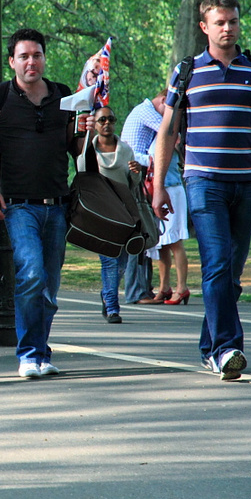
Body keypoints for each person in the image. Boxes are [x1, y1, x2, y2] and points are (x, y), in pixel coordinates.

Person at [152, 0, 251, 381]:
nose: (228, 28)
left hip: (247, 183)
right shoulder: (186, 71)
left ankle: (210, 347)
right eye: (220, 22)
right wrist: (157, 187)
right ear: (204, 26)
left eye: (233, 21)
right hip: (203, 181)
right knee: (218, 262)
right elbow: (168, 131)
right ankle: (228, 349)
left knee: (231, 275)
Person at [0, 28, 91, 379]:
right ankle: (27, 355)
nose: (31, 62)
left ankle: (40, 352)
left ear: (43, 58)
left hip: (58, 204)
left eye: (36, 55)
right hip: (17, 205)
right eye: (23, 56)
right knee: (32, 272)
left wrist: (85, 130)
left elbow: (77, 149)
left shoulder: (64, 95)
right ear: (12, 62)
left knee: (49, 287)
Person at [76, 107, 141, 324]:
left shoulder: (125, 150)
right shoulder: (87, 151)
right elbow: (82, 178)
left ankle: (106, 294)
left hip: (123, 212)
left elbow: (133, 184)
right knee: (110, 261)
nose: (107, 123)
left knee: (121, 261)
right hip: (100, 214)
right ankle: (112, 307)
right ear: (94, 124)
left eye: (111, 119)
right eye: (102, 119)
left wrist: (136, 173)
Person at [120, 90, 168, 304]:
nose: (171, 114)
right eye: (171, 108)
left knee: (145, 233)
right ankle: (136, 292)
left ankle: (143, 290)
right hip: (135, 179)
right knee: (139, 233)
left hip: (138, 178)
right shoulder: (146, 111)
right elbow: (169, 134)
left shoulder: (143, 111)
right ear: (164, 100)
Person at [147, 136, 190, 306]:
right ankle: (164, 287)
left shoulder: (172, 134)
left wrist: (133, 156)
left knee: (175, 241)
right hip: (159, 191)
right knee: (162, 242)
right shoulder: (157, 134)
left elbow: (156, 159)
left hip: (171, 190)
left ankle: (182, 287)